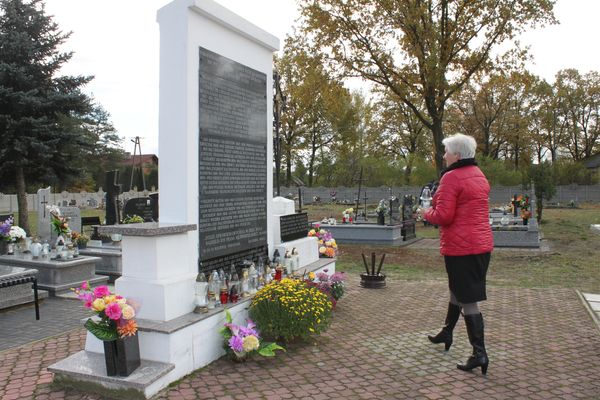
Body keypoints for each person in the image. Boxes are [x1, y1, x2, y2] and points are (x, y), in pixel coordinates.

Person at [422, 133, 493, 375]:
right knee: (458, 290)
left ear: (458, 155)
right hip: (480, 246)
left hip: (461, 248)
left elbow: (443, 216)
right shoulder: (479, 175)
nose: (444, 156)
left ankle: (479, 353)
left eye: (447, 152)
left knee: (468, 299)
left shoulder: (452, 177)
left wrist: (425, 213)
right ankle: (447, 332)